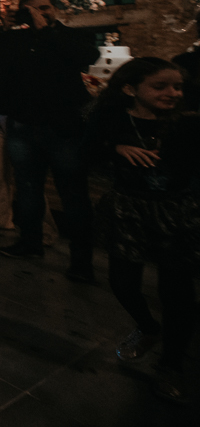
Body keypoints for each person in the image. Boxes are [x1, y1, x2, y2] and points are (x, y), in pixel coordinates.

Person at [86, 58, 197, 403]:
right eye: (160, 86)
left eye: (177, 86)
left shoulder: (188, 122)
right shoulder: (112, 118)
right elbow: (88, 150)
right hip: (128, 208)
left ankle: (172, 364)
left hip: (177, 210)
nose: (172, 93)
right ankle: (148, 328)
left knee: (176, 291)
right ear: (131, 89)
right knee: (122, 282)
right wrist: (115, 147)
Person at [0, 0, 99, 282]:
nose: (39, 14)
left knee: (74, 196)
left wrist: (47, 30)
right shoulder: (15, 38)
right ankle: (30, 243)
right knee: (28, 190)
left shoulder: (71, 35)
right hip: (23, 126)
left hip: (63, 128)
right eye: (32, 11)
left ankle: (81, 262)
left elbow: (87, 58)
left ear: (54, 9)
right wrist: (3, 27)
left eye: (44, 8)